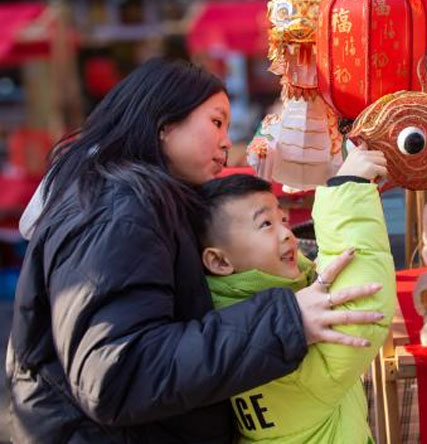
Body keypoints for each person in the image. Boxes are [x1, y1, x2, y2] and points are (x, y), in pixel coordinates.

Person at [7, 58, 384, 442]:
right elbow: (118, 372)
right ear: (164, 125)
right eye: (216, 121)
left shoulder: (133, 200)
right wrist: (286, 321)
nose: (226, 141)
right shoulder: (118, 210)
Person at [198, 148, 393, 443]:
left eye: (283, 219)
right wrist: (347, 192)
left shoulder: (223, 319)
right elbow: (361, 311)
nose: (287, 234)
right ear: (219, 261)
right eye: (266, 224)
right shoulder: (271, 340)